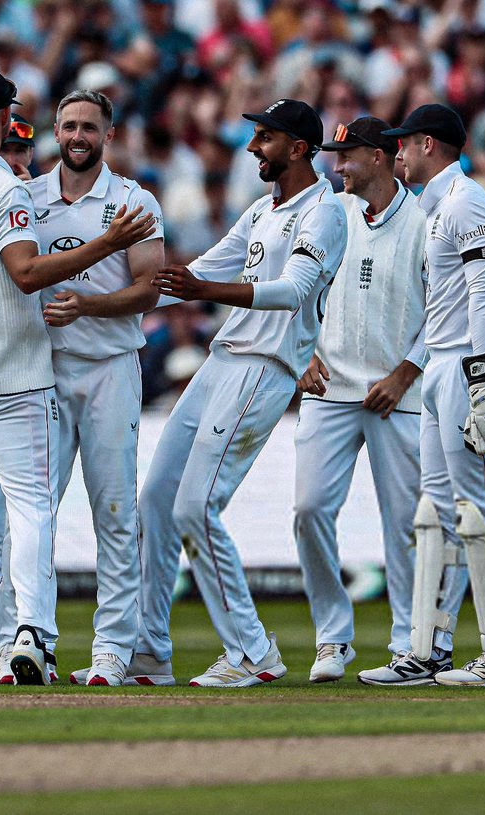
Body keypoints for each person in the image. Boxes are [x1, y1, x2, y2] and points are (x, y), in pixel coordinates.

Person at [0, 68, 155, 686]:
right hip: (25, 371)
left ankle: (104, 651)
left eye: (88, 127)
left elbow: (150, 289)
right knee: (27, 510)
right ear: (21, 121)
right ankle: (25, 639)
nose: (76, 135)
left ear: (107, 134)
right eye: (68, 125)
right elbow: (18, 272)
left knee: (110, 512)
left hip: (95, 368)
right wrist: (103, 246)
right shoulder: (18, 191)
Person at [149, 99, 348, 687]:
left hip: (265, 367)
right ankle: (147, 648)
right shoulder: (264, 210)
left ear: (299, 147)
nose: (252, 147)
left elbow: (294, 290)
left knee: (195, 507)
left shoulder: (324, 212)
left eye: (264, 137)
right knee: (158, 497)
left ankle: (253, 652)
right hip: (221, 361)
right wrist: (101, 303)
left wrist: (202, 288)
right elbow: (194, 272)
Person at [381, 104, 485, 686]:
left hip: (471, 364)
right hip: (443, 365)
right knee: (442, 513)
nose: (397, 154)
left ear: (427, 145)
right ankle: (431, 648)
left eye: (403, 144)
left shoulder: (467, 202)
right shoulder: (434, 206)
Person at [290, 117, 427, 684]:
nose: (336, 165)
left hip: (400, 396)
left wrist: (404, 373)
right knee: (309, 510)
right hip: (329, 388)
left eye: (347, 156)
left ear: (381, 157)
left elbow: (446, 309)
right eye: (335, 155)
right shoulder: (332, 215)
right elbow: (292, 285)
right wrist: (299, 355)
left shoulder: (422, 223)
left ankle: (410, 643)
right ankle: (332, 638)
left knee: (405, 524)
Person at [0, 112, 36, 178]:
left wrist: (29, 187)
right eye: (4, 150)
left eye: (19, 151)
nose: (11, 162)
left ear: (30, 155)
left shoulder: (44, 187)